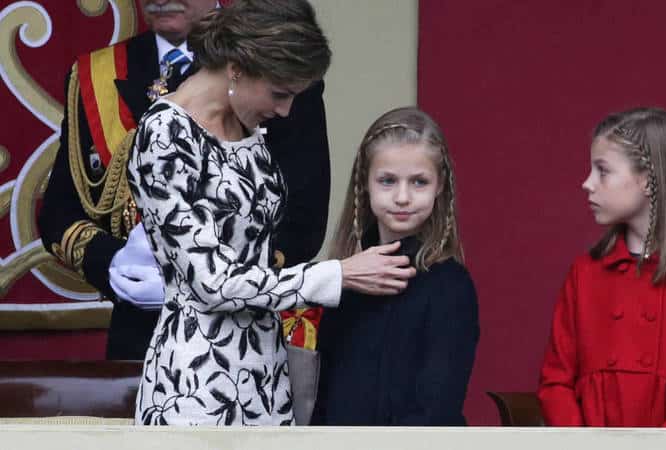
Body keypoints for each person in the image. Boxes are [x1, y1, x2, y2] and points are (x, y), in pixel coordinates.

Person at [128, 0, 415, 426]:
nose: (284, 112)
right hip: (195, 383)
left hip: (266, 373)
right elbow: (213, 283)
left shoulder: (245, 123)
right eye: (279, 94)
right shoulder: (164, 134)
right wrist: (338, 274)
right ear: (238, 67)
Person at [38, 0, 331, 360]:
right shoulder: (94, 74)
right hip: (141, 333)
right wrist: (114, 264)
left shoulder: (275, 63)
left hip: (240, 328)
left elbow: (305, 218)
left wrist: (211, 276)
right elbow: (58, 213)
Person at [537, 107, 666, 427]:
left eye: (602, 170)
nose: (587, 183)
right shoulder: (585, 273)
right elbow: (555, 384)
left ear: (648, 181)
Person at [311, 107, 479, 426]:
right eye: (387, 181)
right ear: (365, 183)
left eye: (419, 182)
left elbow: (437, 407)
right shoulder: (345, 279)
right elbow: (325, 398)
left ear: (440, 185)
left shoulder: (450, 286)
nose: (402, 197)